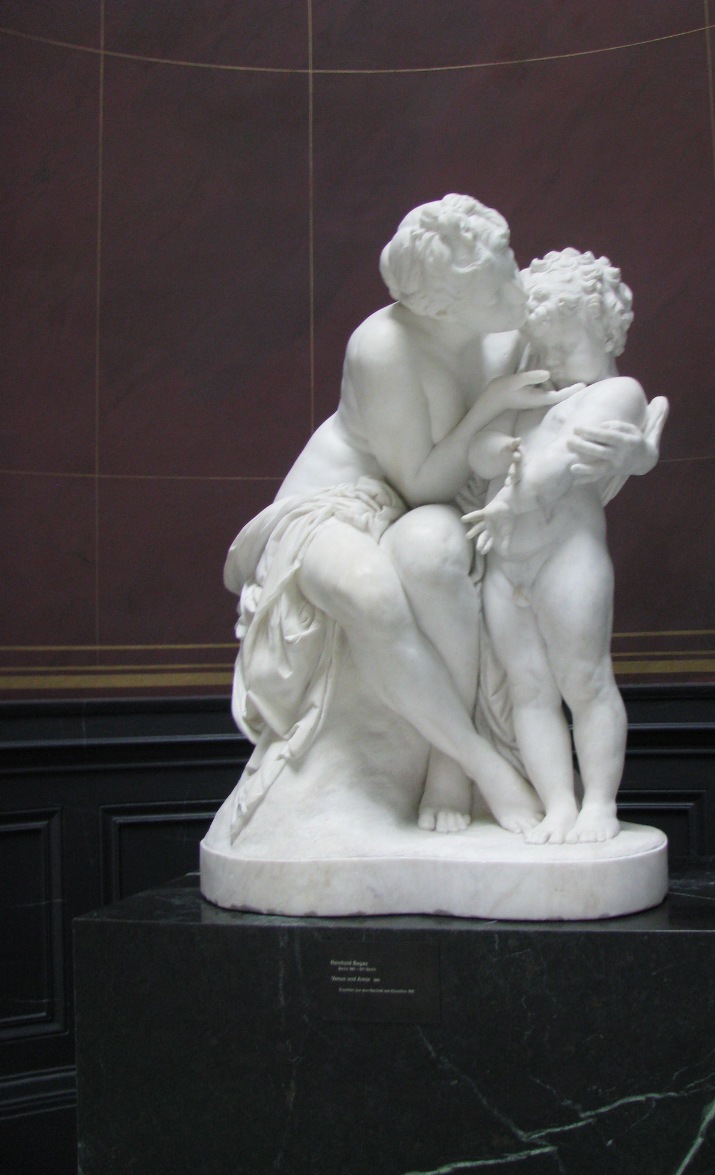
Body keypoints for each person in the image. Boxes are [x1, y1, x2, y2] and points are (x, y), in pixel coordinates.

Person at [225, 202, 663, 841]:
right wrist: (488, 409)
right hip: (338, 506)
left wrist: (634, 452)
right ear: (445, 308)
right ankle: (478, 764)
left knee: (433, 550)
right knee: (373, 592)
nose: (517, 292)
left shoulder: (511, 324)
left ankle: (448, 767)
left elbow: (591, 399)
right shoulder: (385, 348)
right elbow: (420, 482)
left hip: (439, 514)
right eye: (498, 288)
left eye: (510, 268)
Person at [463, 249, 668, 843]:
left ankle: (599, 802)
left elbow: (558, 467)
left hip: (567, 554)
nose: (551, 360)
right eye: (543, 347)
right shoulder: (534, 394)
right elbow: (481, 454)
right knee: (528, 690)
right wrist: (495, 448)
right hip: (506, 561)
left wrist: (510, 492)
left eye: (564, 344)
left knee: (585, 681)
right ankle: (558, 803)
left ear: (602, 330)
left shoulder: (618, 393)